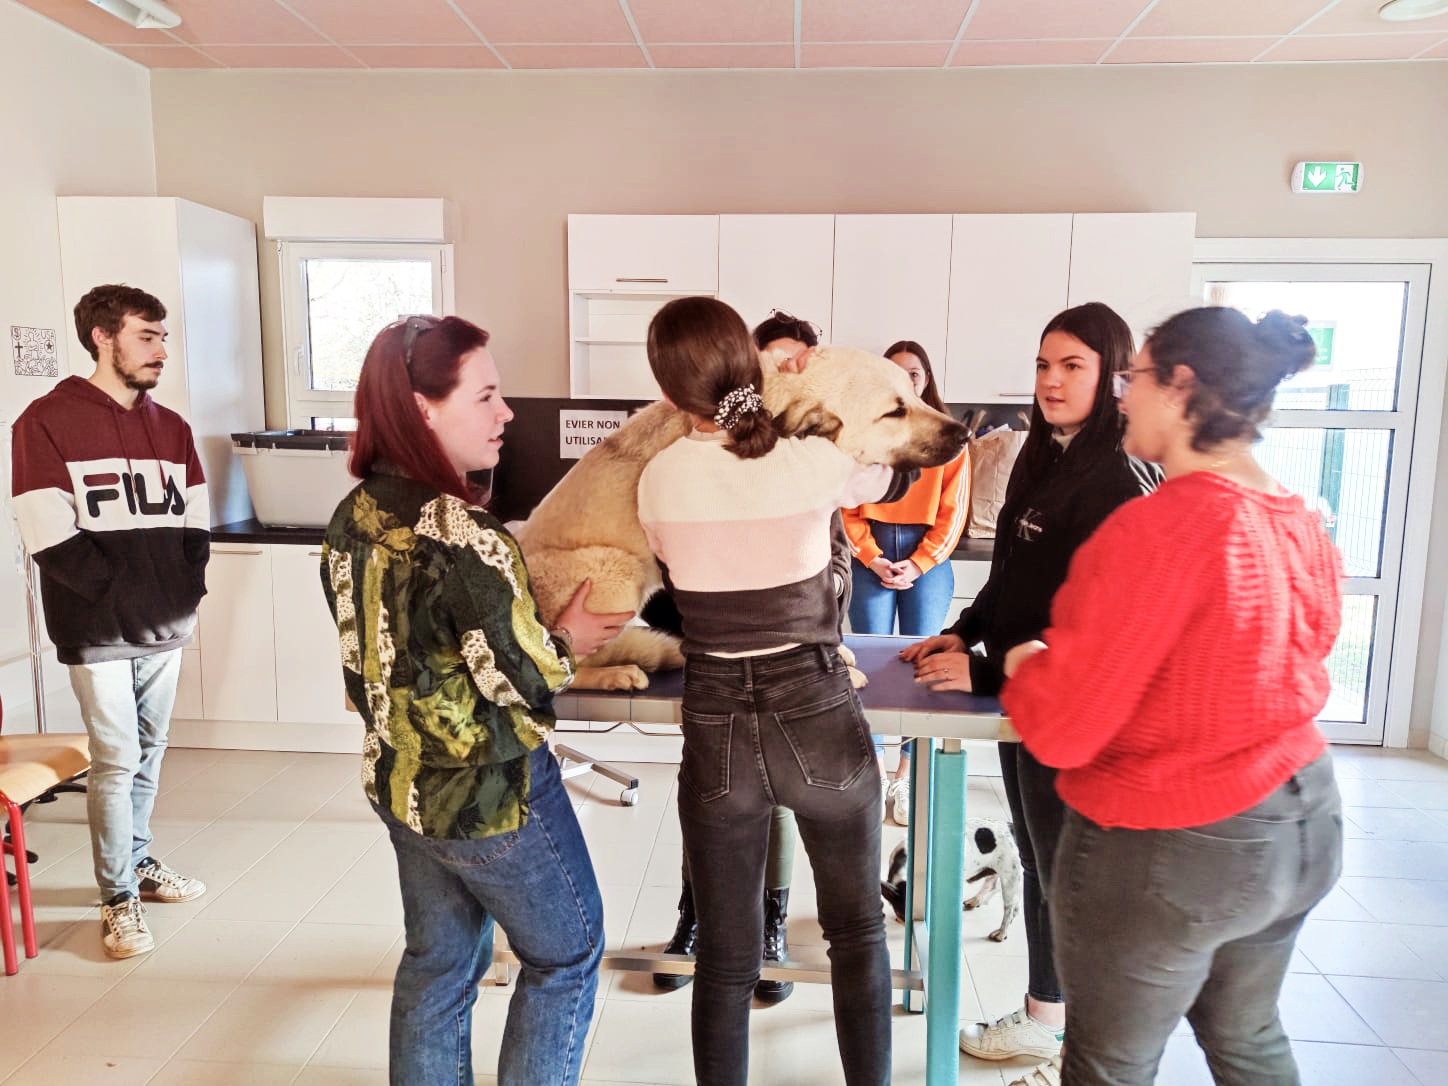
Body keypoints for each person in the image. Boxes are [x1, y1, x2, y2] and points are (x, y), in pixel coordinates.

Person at [998, 308, 1344, 1086]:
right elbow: (1290, 655)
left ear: (1180, 387)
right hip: (1303, 817)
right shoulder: (1295, 517)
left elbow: (1065, 730)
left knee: (1109, 1065)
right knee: (1248, 1037)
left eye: (1135, 377)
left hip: (1180, 840)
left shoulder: (1160, 529)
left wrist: (1023, 663)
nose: (1123, 396)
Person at [320, 314, 632, 1085]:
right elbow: (519, 677)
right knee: (566, 955)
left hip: (400, 784)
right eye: (486, 396)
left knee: (438, 964)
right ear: (422, 408)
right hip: (490, 798)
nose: (507, 413)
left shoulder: (353, 516)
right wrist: (570, 639)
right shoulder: (465, 535)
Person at [637, 297, 899, 1085]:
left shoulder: (657, 479)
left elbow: (671, 576)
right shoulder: (808, 460)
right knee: (857, 934)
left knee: (725, 957)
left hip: (716, 714)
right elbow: (886, 466)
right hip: (814, 702)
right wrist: (803, 388)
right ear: (750, 363)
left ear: (669, 391)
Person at [901, 303, 1158, 1075]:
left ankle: (1069, 1038)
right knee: (1043, 862)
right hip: (1026, 698)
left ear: (1114, 376)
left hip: (1071, 709)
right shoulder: (1045, 453)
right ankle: (1047, 1017)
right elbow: (1014, 577)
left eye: (1072, 366)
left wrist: (983, 670)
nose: (1051, 381)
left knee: (1069, 877)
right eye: (1044, 365)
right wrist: (965, 631)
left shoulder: (1118, 479)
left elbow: (1100, 636)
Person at [10, 283, 210, 959]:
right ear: (103, 337)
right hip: (97, 629)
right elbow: (47, 531)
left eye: (163, 337)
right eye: (145, 336)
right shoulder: (45, 421)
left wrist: (183, 593)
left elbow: (195, 522)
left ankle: (138, 859)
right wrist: (120, 598)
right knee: (117, 759)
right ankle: (117, 898)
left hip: (165, 625)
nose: (161, 350)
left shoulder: (172, 427)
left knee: (150, 751)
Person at [652, 308, 836, 1004]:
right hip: (717, 677)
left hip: (798, 669)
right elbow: (668, 581)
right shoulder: (675, 466)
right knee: (710, 803)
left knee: (778, 803)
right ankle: (694, 918)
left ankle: (770, 925)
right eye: (770, 362)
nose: (781, 373)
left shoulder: (809, 458)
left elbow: (836, 565)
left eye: (794, 364)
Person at [842, 339, 970, 825]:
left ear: (926, 378)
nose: (906, 380)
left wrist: (919, 563)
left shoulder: (948, 436)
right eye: (894, 372)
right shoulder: (862, 431)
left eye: (913, 373)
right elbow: (846, 506)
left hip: (927, 558)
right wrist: (872, 558)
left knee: (926, 663)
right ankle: (873, 768)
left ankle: (908, 772)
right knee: (868, 663)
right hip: (871, 553)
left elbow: (954, 512)